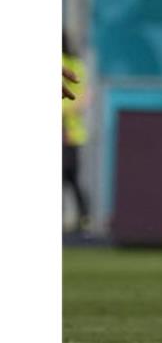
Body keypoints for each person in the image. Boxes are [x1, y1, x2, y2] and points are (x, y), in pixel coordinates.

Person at [62, 32, 90, 232]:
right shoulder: (75, 64)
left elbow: (83, 97)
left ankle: (82, 218)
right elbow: (85, 97)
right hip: (71, 132)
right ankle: (82, 218)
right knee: (70, 178)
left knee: (69, 177)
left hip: (68, 133)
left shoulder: (71, 64)